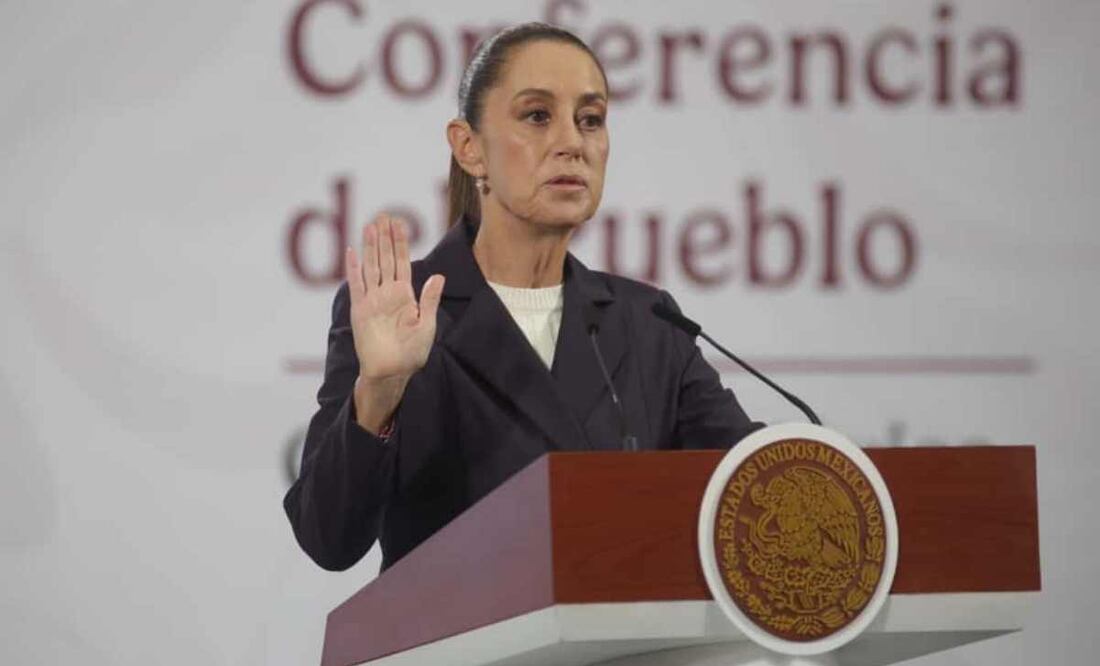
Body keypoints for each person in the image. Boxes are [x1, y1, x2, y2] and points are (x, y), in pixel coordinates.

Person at [283, 22, 763, 573]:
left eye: (591, 120)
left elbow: (756, 484)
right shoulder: (405, 310)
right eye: (538, 116)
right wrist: (380, 391)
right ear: (469, 147)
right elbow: (328, 538)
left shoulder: (650, 323)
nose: (572, 143)